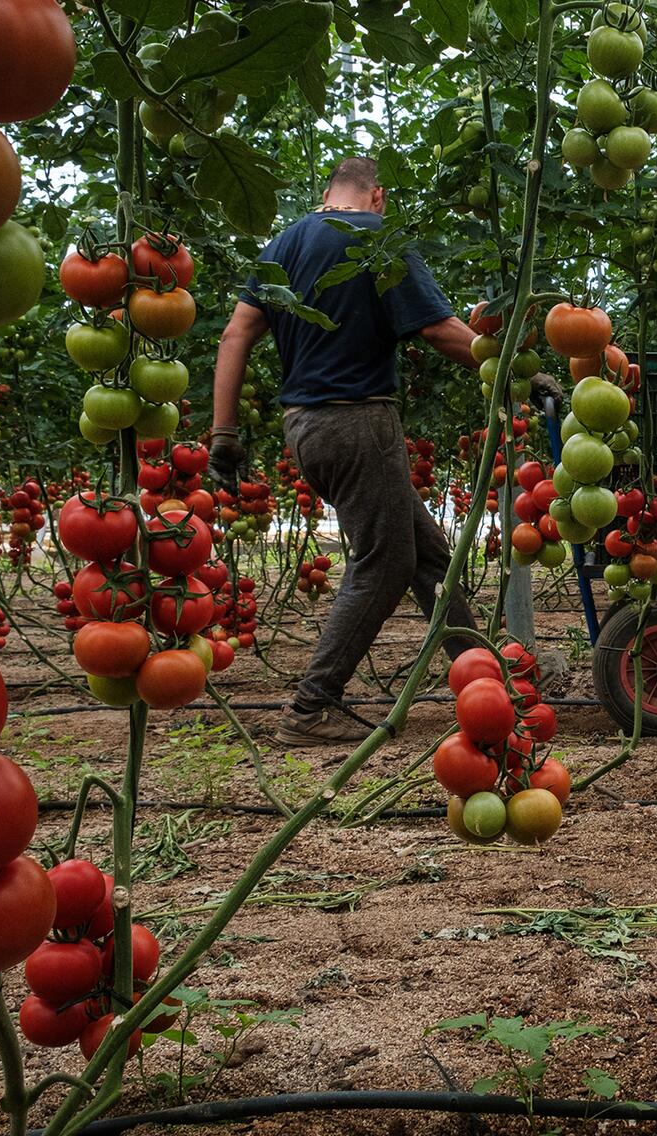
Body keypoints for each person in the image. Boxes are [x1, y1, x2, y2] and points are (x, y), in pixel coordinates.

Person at [211, 157, 516, 747]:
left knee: (429, 554)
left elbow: (236, 334)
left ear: (327, 194)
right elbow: (437, 329)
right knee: (386, 562)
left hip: (305, 429)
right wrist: (510, 369)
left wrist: (224, 436)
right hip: (357, 422)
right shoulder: (378, 239)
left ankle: (484, 685)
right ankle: (310, 706)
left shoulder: (280, 246)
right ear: (377, 197)